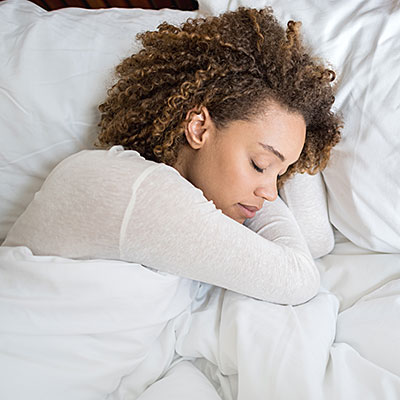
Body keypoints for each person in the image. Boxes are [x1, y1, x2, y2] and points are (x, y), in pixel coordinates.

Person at [3, 7, 342, 305]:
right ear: (198, 128)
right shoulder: (136, 191)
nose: (270, 192)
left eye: (280, 176)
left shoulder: (191, 199)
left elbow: (314, 241)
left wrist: (289, 140)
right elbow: (297, 278)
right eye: (260, 165)